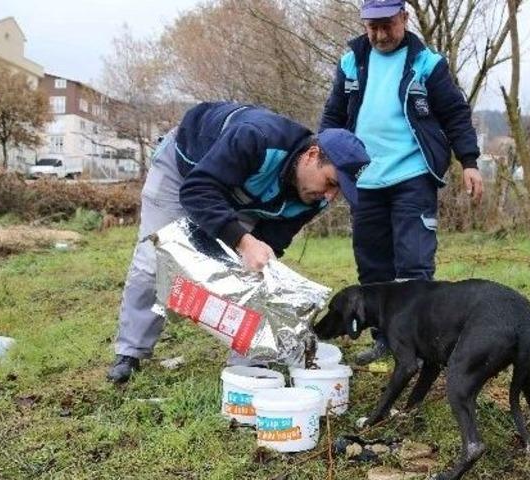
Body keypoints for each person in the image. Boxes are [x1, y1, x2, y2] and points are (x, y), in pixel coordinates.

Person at [108, 101, 370, 383]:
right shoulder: (256, 137)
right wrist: (243, 241)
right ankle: (130, 352)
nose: (330, 197)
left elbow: (270, 242)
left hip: (242, 195)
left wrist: (253, 253)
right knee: (153, 260)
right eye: (331, 182)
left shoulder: (313, 198)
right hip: (186, 171)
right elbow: (197, 191)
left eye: (340, 191)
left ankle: (247, 364)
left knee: (252, 272)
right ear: (312, 154)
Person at [319, 0, 484, 365]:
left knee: (413, 265)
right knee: (373, 268)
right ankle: (385, 340)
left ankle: (420, 344)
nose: (379, 34)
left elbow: (455, 114)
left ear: (404, 19)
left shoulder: (427, 64)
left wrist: (468, 161)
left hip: (412, 174)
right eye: (371, 26)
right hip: (364, 180)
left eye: (387, 25)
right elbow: (332, 116)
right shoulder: (351, 61)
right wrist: (325, 162)